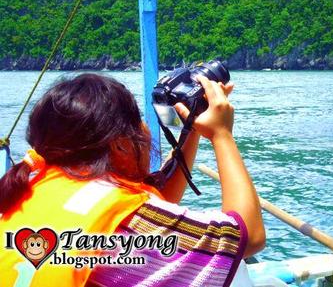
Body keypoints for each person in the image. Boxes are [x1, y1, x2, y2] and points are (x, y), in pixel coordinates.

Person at [0, 73, 265, 287]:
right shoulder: (128, 221)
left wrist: (192, 127)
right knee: (236, 271)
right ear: (120, 145)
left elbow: (157, 202)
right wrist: (221, 135)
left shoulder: (33, 185)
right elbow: (248, 238)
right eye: (137, 120)